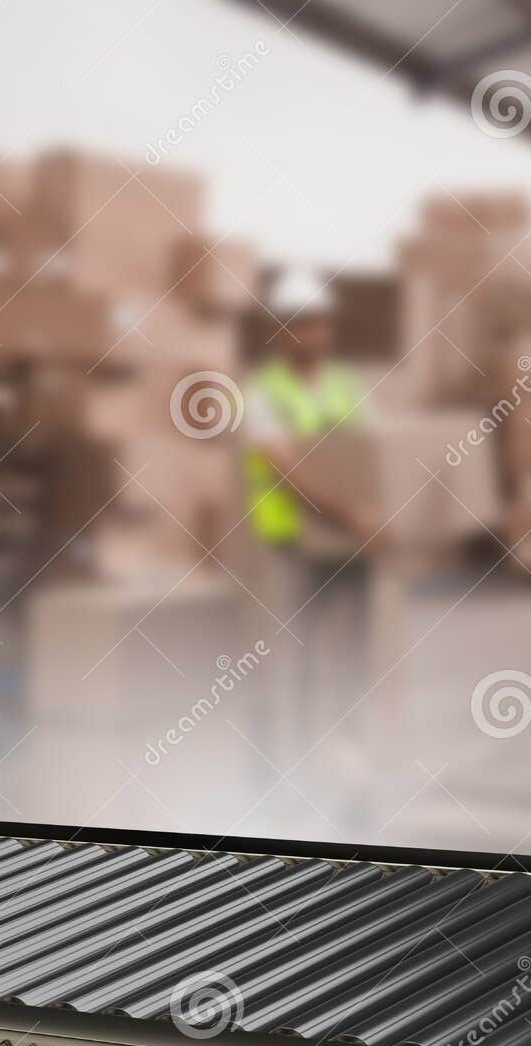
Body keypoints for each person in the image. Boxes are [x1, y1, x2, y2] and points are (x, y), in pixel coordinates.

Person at [242, 267, 378, 773]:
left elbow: (371, 458)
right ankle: (284, 770)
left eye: (319, 323)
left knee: (350, 660)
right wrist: (353, 515)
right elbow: (286, 469)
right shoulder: (263, 393)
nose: (312, 334)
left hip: (352, 548)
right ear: (281, 331)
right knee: (291, 661)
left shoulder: (346, 386)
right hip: (292, 546)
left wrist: (378, 518)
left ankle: (346, 764)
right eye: (300, 324)